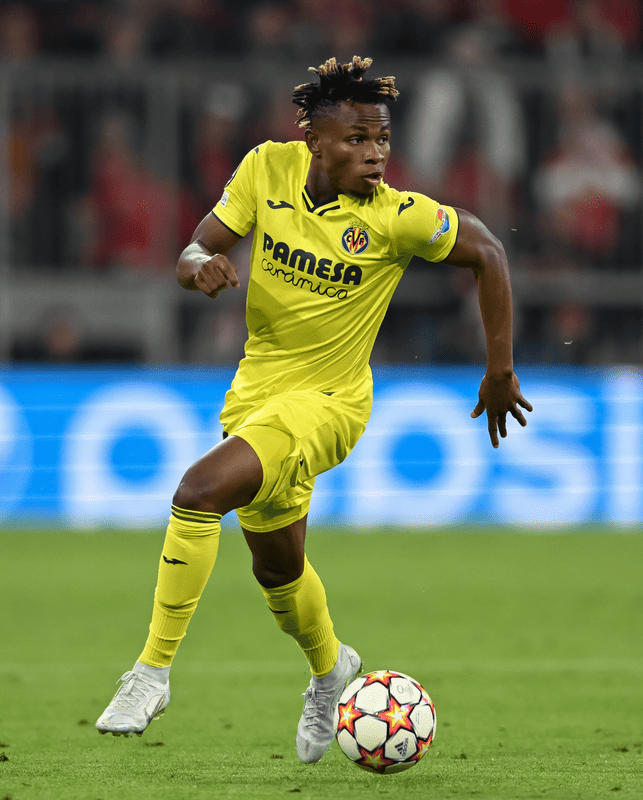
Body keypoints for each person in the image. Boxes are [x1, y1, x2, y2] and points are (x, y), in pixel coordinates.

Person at [94, 56, 533, 763]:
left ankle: (150, 673)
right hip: (256, 395)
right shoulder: (266, 169)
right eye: (358, 139)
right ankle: (331, 670)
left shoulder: (395, 217)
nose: (376, 153)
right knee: (278, 572)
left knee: (197, 493)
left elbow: (489, 251)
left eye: (382, 138)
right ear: (316, 141)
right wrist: (200, 267)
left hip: (330, 406)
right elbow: (193, 248)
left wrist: (500, 368)